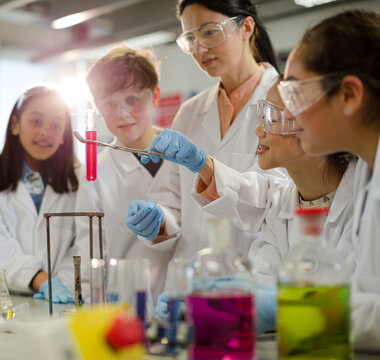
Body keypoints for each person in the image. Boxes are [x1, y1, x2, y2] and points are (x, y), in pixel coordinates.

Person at [152, 80, 357, 334]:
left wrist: (284, 306)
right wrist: (206, 311)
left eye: (271, 117)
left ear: (316, 125)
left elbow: (364, 308)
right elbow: (262, 288)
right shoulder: (282, 207)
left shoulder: (363, 200)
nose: (258, 130)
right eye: (261, 115)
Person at [126, 0, 288, 263]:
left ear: (246, 27)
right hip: (190, 277)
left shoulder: (282, 102)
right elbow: (171, 198)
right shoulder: (190, 111)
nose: (200, 48)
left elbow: (279, 194)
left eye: (210, 32)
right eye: (190, 38)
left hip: (251, 276)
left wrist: (206, 167)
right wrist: (158, 220)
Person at [279, 9, 380, 350]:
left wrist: (310, 308)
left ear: (349, 95)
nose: (289, 113)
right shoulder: (367, 170)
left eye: (295, 94)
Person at [0, 85, 80, 304]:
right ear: (15, 125)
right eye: (36, 121)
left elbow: (81, 244)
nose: (45, 133)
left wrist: (63, 283)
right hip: (9, 302)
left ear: (64, 136)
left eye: (56, 125)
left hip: (64, 298)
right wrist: (43, 281)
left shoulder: (78, 179)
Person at [80, 45, 175, 300]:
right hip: (125, 305)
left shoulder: (184, 156)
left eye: (132, 99)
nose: (122, 114)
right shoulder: (94, 173)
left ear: (154, 96)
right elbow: (90, 253)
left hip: (186, 300)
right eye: (109, 104)